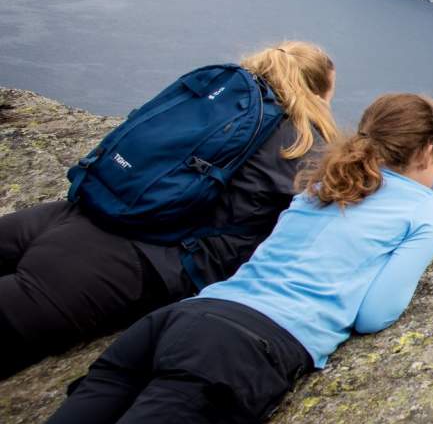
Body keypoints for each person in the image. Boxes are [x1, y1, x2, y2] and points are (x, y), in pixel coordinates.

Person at [0, 92, 433, 424]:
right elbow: (375, 314)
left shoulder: (325, 183)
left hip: (173, 324)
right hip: (236, 357)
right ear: (429, 151)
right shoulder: (424, 209)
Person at [0, 43, 340, 377]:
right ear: (318, 92)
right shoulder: (302, 144)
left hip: (76, 212)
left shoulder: (219, 98)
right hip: (128, 261)